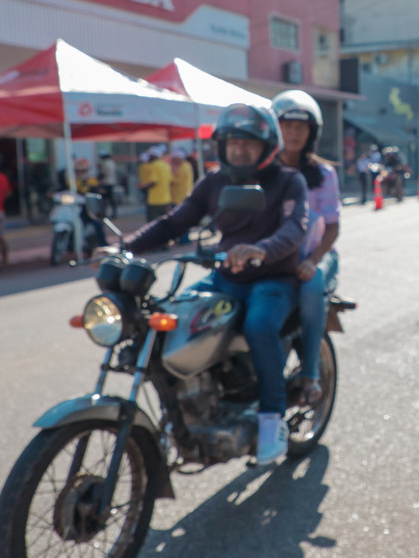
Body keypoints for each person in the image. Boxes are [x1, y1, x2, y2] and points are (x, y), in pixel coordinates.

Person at [121, 104, 308, 466]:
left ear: (267, 146)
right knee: (172, 318)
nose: (238, 150)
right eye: (232, 142)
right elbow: (175, 222)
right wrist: (123, 247)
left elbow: (294, 229)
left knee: (259, 325)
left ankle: (271, 420)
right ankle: (188, 407)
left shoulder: (288, 180)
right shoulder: (214, 181)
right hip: (226, 276)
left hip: (272, 278)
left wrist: (260, 249)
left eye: (248, 143)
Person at [272, 89, 340, 405]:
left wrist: (314, 259)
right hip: (275, 258)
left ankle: (310, 374)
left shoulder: (325, 174)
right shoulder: (265, 171)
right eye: (287, 125)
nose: (294, 132)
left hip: (316, 256)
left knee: (310, 286)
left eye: (302, 127)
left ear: (312, 132)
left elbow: (332, 226)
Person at [137, 146, 172, 223]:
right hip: (166, 199)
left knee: (152, 224)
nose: (148, 157)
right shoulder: (166, 165)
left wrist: (143, 186)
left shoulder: (153, 165)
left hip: (155, 200)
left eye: (150, 155)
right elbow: (170, 181)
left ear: (153, 156)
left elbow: (153, 182)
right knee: (165, 223)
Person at [98, 153, 119, 218]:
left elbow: (102, 174)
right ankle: (114, 213)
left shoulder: (105, 164)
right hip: (111, 183)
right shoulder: (112, 163)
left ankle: (104, 213)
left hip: (106, 183)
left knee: (105, 199)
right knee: (111, 199)